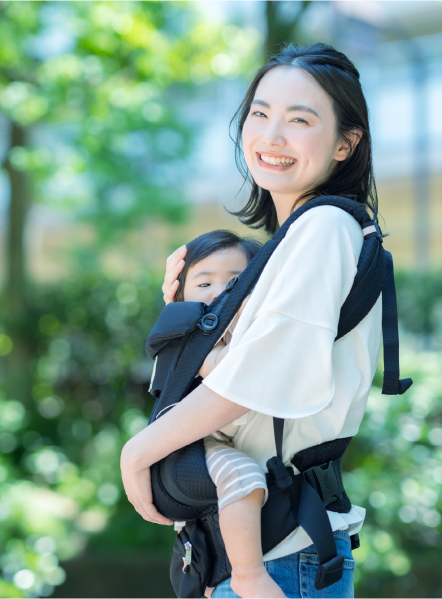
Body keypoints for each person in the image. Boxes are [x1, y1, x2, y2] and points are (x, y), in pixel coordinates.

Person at [121, 42, 383, 599]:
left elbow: (257, 378)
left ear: (346, 142)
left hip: (281, 555)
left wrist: (138, 450)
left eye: (300, 119)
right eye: (260, 113)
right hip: (272, 547)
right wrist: (190, 315)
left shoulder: (324, 227)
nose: (271, 136)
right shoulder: (292, 242)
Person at [154, 230, 282, 599]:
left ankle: (214, 574)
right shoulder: (188, 335)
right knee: (242, 477)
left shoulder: (260, 323)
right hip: (201, 438)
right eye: (204, 282)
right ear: (180, 296)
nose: (220, 292)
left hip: (232, 432)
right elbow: (226, 370)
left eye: (236, 282)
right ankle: (247, 574)